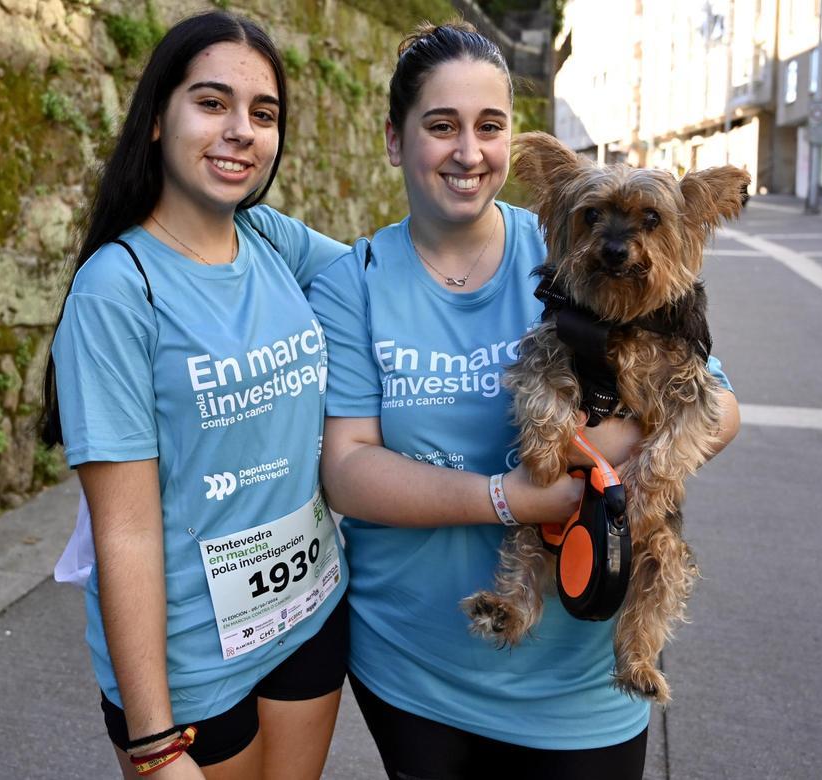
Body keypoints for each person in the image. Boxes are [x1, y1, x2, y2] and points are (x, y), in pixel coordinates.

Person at [308, 22, 741, 780]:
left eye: (490, 126)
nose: (469, 152)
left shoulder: (574, 268)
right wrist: (513, 498)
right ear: (393, 139)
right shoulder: (355, 281)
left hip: (579, 685)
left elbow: (719, 406)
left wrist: (604, 458)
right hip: (413, 669)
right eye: (441, 126)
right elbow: (345, 472)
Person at [39, 11, 350, 779]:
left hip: (309, 612)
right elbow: (127, 531)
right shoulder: (119, 288)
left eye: (263, 113)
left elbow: (402, 283)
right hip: (190, 666)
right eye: (212, 103)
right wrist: (151, 739)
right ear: (155, 120)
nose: (241, 130)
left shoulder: (273, 239)